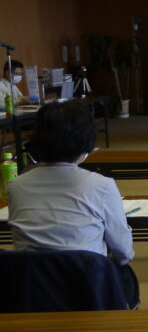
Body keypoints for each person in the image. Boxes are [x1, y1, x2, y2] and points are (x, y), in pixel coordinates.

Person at [8, 100, 139, 307]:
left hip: (30, 293)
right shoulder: (102, 186)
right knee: (125, 275)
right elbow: (123, 251)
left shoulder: (16, 186)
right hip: (89, 292)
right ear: (86, 143)